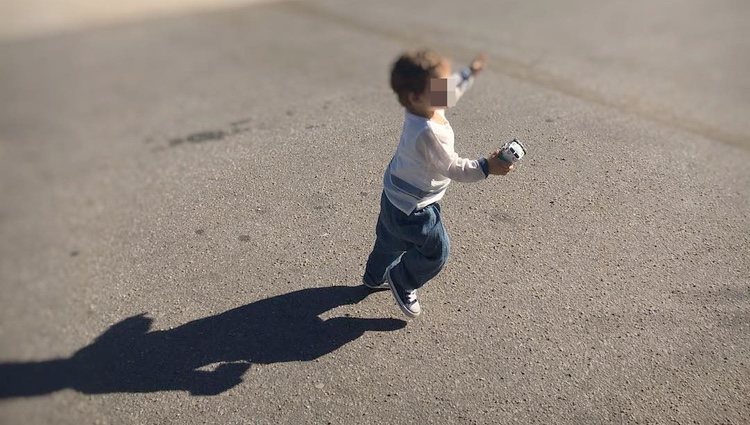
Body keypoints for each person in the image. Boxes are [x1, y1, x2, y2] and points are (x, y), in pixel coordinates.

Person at [362, 49, 514, 318]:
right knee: (436, 252)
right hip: (417, 208)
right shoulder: (428, 133)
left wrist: (469, 73)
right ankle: (402, 279)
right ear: (416, 96)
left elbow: (451, 91)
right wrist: (487, 167)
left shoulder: (423, 107)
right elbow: (453, 167)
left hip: (394, 195)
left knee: (389, 241)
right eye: (439, 85)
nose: (446, 89)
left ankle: (374, 276)